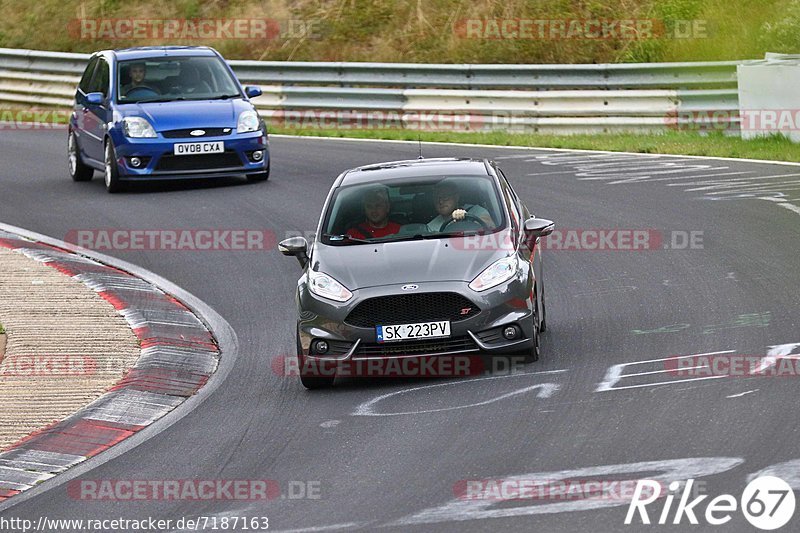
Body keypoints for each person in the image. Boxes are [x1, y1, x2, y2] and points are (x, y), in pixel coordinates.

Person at [426, 179, 494, 232]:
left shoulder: (477, 211)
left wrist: (466, 219)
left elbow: (492, 229)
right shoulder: (431, 227)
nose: (440, 201)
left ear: (456, 197)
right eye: (437, 198)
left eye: (445, 197)